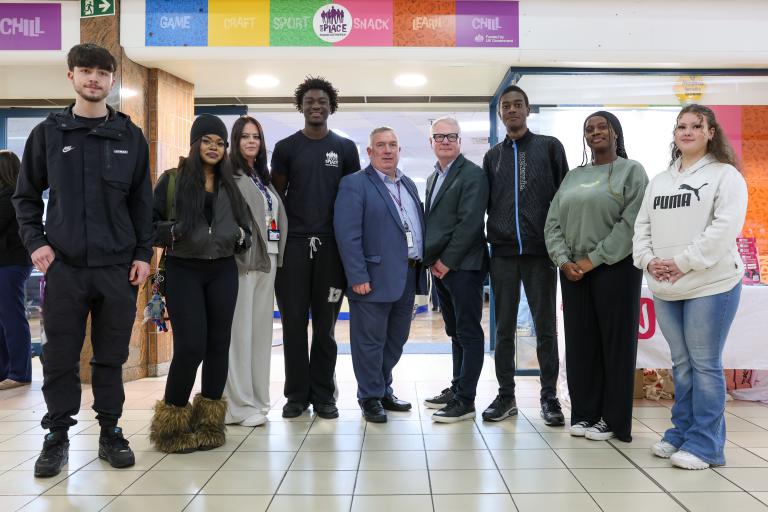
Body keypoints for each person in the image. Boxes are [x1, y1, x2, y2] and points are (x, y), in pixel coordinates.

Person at [13, 43, 153, 477]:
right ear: (71, 76)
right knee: (58, 357)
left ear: (112, 82)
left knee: (111, 356)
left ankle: (110, 431)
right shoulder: (48, 134)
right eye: (85, 71)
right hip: (65, 268)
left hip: (117, 270)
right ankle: (56, 435)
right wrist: (36, 243)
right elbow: (25, 197)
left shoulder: (130, 136)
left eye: (102, 73)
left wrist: (144, 255)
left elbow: (141, 203)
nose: (94, 79)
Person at [633, 104, 748, 469]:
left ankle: (706, 446)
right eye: (681, 126)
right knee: (681, 366)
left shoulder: (725, 175)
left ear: (711, 132)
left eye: (695, 126)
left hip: (710, 285)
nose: (686, 132)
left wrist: (681, 263)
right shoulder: (660, 180)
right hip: (667, 287)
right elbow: (642, 228)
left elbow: (722, 231)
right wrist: (648, 261)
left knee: (704, 364)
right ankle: (681, 434)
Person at [149, 114, 251, 454]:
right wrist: (173, 231)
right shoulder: (173, 180)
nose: (214, 147)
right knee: (191, 347)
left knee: (218, 346)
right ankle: (172, 425)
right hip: (184, 270)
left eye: (220, 142)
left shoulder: (230, 185)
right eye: (207, 140)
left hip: (222, 270)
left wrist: (239, 237)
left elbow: (246, 231)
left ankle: (209, 423)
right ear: (195, 144)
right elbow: (148, 225)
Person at [545, 111, 648, 442]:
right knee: (580, 344)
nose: (595, 132)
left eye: (601, 126)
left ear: (615, 132)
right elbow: (553, 223)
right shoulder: (574, 176)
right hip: (573, 272)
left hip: (615, 269)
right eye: (589, 129)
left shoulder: (632, 171)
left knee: (613, 346)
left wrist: (593, 260)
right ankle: (585, 413)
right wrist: (563, 261)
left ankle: (612, 419)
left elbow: (631, 223)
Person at [270, 76, 361, 420]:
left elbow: (353, 199)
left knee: (325, 327)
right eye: (309, 101)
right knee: (293, 325)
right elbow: (276, 199)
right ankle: (295, 395)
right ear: (301, 106)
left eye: (322, 101)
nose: (316, 106)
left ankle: (324, 395)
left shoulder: (345, 149)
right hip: (293, 250)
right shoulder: (286, 148)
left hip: (331, 252)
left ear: (331, 106)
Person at [483, 85, 569, 425]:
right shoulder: (492, 157)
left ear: (528, 110)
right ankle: (506, 396)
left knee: (545, 328)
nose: (512, 110)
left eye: (518, 105)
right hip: (502, 254)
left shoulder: (549, 147)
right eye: (506, 106)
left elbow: (564, 199)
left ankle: (549, 398)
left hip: (541, 253)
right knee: (503, 329)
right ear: (500, 113)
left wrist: (561, 246)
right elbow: (487, 205)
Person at [334, 127, 427, 423]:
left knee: (395, 340)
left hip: (407, 277)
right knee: (369, 342)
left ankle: (383, 387)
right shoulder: (355, 184)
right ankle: (370, 396)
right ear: (370, 152)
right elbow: (348, 235)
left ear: (399, 150)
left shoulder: (408, 184)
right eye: (381, 145)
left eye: (393, 145)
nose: (388, 150)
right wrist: (357, 275)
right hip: (371, 279)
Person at [421, 117, 489, 423]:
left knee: (469, 332)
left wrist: (445, 261)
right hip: (442, 270)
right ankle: (457, 387)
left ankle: (466, 400)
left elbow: (470, 223)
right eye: (439, 137)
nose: (445, 141)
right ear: (431, 142)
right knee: (455, 332)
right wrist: (436, 263)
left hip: (464, 266)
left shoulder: (472, 174)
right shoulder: (433, 177)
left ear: (460, 141)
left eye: (451, 136)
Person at [223, 116, 287, 427]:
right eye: (245, 136)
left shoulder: (262, 178)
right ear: (235, 141)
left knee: (261, 334)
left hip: (269, 259)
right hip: (242, 262)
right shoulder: (229, 176)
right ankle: (237, 405)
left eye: (257, 137)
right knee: (240, 333)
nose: (251, 142)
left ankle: (258, 399)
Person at [0, 150, 33, 391]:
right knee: (4, 319)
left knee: (11, 317)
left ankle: (19, 372)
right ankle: (5, 370)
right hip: (6, 262)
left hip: (11, 263)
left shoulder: (11, 195)